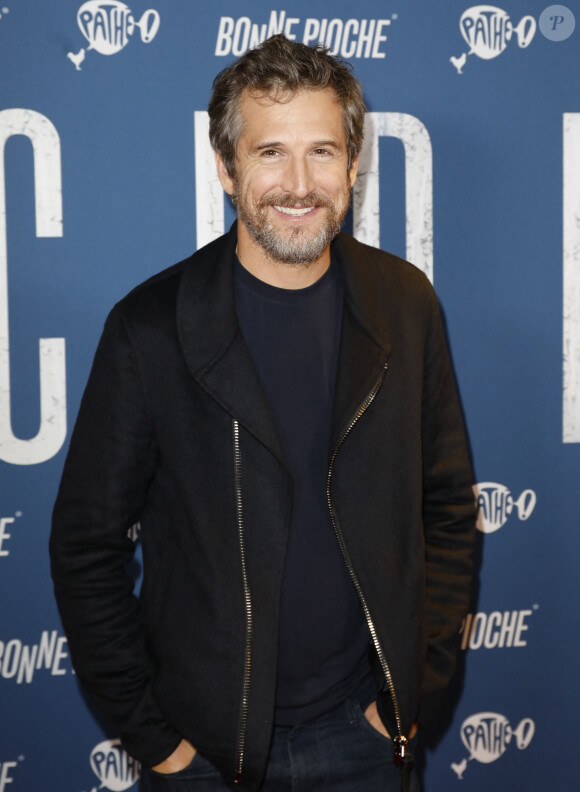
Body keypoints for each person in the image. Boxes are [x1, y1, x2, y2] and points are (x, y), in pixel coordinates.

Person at [50, 34, 476, 792]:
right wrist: (161, 745)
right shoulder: (151, 328)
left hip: (368, 738)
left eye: (322, 151)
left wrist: (411, 690)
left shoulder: (405, 305)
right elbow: (86, 548)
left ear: (353, 165)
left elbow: (446, 508)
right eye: (271, 152)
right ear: (226, 167)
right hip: (206, 755)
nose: (299, 182)